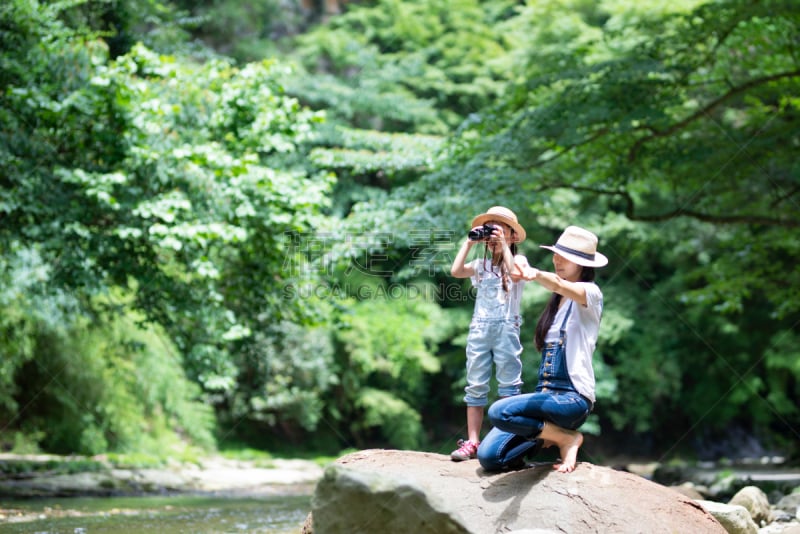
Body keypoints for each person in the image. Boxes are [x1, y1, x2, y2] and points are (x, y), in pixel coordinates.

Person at [476, 225, 608, 473]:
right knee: (489, 457)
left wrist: (535, 274)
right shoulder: (556, 302)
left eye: (564, 257)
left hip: (571, 399)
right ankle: (552, 434)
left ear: (582, 263)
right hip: (545, 398)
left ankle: (567, 438)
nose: (557, 259)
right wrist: (504, 246)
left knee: (499, 411)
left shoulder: (591, 294)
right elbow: (527, 274)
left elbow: (558, 284)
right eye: (555, 254)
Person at [449, 206, 531, 461]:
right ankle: (473, 442)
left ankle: (507, 438)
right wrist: (469, 241)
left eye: (500, 229)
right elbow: (456, 271)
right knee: (475, 385)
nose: (493, 236)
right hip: (480, 329)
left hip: (506, 329)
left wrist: (504, 245)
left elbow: (516, 274)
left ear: (512, 236)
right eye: (490, 230)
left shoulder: (518, 260)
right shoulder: (481, 264)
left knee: (509, 385)